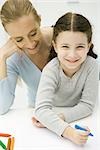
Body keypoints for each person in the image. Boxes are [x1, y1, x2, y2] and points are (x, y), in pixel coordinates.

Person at [34, 12, 99, 145]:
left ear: (89, 45)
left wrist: (61, 118)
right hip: (55, 113)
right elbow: (41, 110)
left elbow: (87, 105)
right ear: (55, 46)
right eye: (65, 46)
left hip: (69, 118)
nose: (72, 54)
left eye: (80, 46)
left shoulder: (92, 66)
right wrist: (70, 133)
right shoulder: (51, 70)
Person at [0, 0, 53, 115]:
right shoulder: (13, 59)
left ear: (39, 20)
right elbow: (2, 107)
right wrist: (1, 57)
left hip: (75, 114)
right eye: (19, 39)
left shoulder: (61, 39)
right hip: (37, 116)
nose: (30, 44)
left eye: (33, 33)